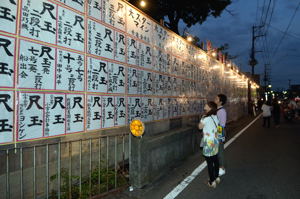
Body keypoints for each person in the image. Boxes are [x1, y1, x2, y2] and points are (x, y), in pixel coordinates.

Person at [198, 101, 220, 188]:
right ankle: (217, 177)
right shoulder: (215, 117)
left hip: (208, 143)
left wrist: (202, 118)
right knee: (215, 160)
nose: (205, 106)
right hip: (215, 141)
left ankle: (212, 181)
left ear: (210, 108)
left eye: (206, 105)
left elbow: (199, 127)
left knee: (210, 163)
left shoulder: (205, 118)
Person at [214, 94, 227, 176]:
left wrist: (219, 135)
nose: (214, 99)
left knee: (220, 150)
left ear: (220, 101)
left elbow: (222, 125)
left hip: (219, 132)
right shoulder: (217, 109)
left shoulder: (221, 111)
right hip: (215, 132)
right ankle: (218, 166)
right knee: (216, 150)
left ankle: (221, 167)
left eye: (216, 98)